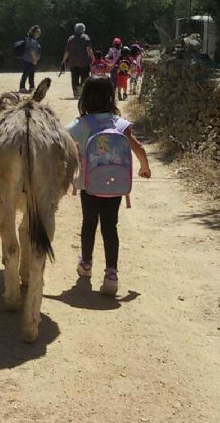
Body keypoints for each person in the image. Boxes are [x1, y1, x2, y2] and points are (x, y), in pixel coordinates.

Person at [66, 76, 151, 295]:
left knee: (89, 224)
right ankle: (111, 274)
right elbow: (138, 148)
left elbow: (61, 141)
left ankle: (86, 264)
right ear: (110, 98)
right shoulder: (119, 124)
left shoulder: (81, 125)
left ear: (84, 98)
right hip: (115, 186)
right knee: (110, 228)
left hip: (89, 185)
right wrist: (145, 167)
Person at [61, 23, 94, 98]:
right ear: (83, 30)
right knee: (84, 78)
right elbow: (89, 49)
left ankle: (76, 93)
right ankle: (83, 93)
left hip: (73, 63)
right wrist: (93, 58)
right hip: (84, 63)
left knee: (74, 78)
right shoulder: (86, 38)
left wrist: (63, 60)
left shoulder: (71, 39)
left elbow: (67, 51)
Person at [19, 25, 42, 93]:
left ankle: (31, 87)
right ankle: (22, 87)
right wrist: (35, 59)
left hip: (30, 60)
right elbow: (31, 51)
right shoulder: (31, 40)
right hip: (27, 59)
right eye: (38, 31)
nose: (39, 33)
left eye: (39, 32)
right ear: (33, 32)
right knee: (26, 72)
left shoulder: (33, 40)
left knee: (31, 73)